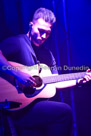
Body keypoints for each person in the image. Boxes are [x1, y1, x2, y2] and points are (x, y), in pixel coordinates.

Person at [0, 7, 91, 136]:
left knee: (61, 111)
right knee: (64, 112)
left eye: (47, 33)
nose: (43, 36)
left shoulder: (47, 54)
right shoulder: (18, 42)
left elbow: (56, 82)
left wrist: (78, 80)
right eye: (40, 31)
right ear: (31, 25)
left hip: (33, 106)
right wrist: (18, 74)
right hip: (16, 106)